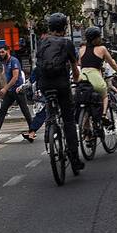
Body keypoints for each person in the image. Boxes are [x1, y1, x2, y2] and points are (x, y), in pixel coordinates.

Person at [32, 12, 84, 172]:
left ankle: (50, 131)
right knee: (68, 120)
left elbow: (38, 64)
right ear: (64, 27)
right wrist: (77, 81)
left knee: (50, 110)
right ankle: (74, 158)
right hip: (61, 85)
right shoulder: (66, 43)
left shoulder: (42, 42)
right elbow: (75, 68)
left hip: (45, 84)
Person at [0, 46, 33, 141]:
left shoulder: (14, 61)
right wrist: (0, 87)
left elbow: (15, 77)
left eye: (2, 52)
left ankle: (32, 131)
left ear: (8, 51)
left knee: (25, 111)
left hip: (18, 90)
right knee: (2, 110)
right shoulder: (5, 63)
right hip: (10, 91)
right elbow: (5, 76)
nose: (1, 54)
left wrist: (5, 88)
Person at [77, 27, 117, 122]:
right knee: (105, 96)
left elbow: (80, 63)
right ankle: (104, 115)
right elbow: (112, 63)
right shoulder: (102, 49)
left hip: (83, 78)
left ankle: (86, 128)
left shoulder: (81, 50)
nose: (100, 39)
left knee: (86, 103)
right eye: (99, 37)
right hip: (95, 77)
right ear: (95, 39)